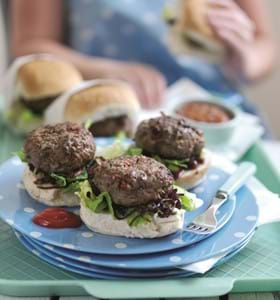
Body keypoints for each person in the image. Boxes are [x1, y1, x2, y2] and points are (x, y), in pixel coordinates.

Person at [11, 0, 276, 110]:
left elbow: (265, 45)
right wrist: (102, 70)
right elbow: (29, 46)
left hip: (217, 113)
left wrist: (243, 58)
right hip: (104, 112)